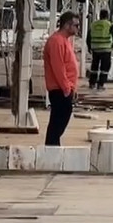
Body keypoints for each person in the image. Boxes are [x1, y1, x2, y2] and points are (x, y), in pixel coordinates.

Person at [42, 12, 80, 146]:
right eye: (75, 25)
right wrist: (66, 89)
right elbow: (58, 68)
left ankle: (53, 145)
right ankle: (51, 146)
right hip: (59, 89)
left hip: (64, 88)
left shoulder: (64, 41)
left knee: (60, 121)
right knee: (57, 122)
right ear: (66, 25)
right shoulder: (56, 41)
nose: (77, 28)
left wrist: (72, 88)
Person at [86, 9, 113, 91]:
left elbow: (88, 37)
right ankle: (101, 84)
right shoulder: (109, 25)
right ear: (107, 16)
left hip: (95, 49)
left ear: (99, 15)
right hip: (106, 49)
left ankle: (92, 83)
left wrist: (89, 47)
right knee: (104, 67)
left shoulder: (93, 24)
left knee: (94, 66)